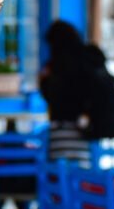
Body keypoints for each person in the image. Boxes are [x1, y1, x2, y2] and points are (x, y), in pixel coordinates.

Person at [38, 20, 95, 165]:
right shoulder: (87, 61)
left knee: (61, 178)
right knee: (80, 177)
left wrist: (43, 81)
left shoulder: (56, 68)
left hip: (61, 131)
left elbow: (53, 98)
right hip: (84, 132)